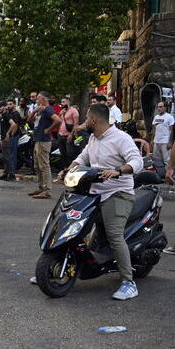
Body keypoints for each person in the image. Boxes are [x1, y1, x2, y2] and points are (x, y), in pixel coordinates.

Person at [63, 103, 143, 300]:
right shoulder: (93, 138)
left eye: (85, 120)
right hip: (94, 192)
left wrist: (119, 170)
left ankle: (128, 282)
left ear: (93, 120)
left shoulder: (121, 138)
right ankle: (62, 267)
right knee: (74, 225)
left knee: (115, 235)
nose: (83, 124)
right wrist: (69, 169)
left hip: (118, 192)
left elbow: (137, 161)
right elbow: (83, 158)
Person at [27, 91, 61, 199]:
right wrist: (34, 111)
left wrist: (48, 130)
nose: (37, 100)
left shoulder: (48, 109)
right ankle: (41, 187)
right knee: (37, 165)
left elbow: (58, 120)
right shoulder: (40, 110)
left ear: (44, 99)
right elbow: (29, 120)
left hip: (44, 141)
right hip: (38, 139)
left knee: (44, 166)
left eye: (38, 98)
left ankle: (47, 190)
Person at [0, 99, 21, 181]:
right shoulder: (4, 115)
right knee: (5, 157)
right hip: (4, 138)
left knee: (8, 157)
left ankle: (11, 174)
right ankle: (6, 173)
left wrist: (8, 134)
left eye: (1, 107)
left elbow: (14, 124)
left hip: (7, 139)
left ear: (5, 107)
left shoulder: (6, 115)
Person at [57, 96, 79, 170]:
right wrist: (60, 114)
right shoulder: (62, 111)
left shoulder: (73, 110)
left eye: (63, 102)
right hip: (61, 134)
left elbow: (76, 123)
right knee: (62, 153)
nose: (62, 103)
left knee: (69, 153)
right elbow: (58, 121)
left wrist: (71, 134)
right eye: (61, 102)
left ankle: (71, 169)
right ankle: (65, 169)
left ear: (68, 102)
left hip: (68, 135)